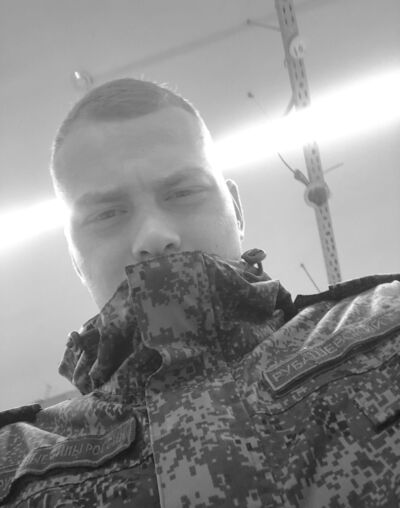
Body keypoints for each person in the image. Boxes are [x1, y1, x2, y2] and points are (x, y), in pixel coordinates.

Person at [0, 78, 399, 508]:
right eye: (108, 214)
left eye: (183, 193)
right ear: (75, 257)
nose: (154, 236)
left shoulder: (389, 322)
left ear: (237, 209)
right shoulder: (12, 460)